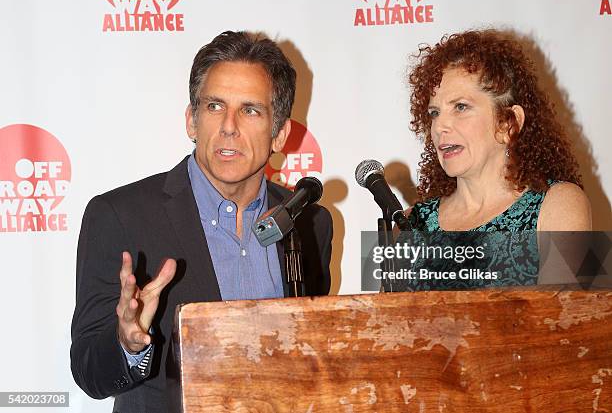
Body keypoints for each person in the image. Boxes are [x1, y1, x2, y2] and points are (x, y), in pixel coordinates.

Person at [70, 31, 333, 412]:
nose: (229, 125)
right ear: (192, 121)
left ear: (280, 134)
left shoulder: (311, 223)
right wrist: (126, 345)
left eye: (251, 110)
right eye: (214, 107)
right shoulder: (119, 216)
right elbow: (88, 371)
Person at [396, 29, 591, 290]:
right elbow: (386, 327)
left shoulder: (558, 204)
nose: (439, 125)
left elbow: (561, 324)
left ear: (508, 123)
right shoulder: (410, 223)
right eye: (434, 113)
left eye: (461, 107)